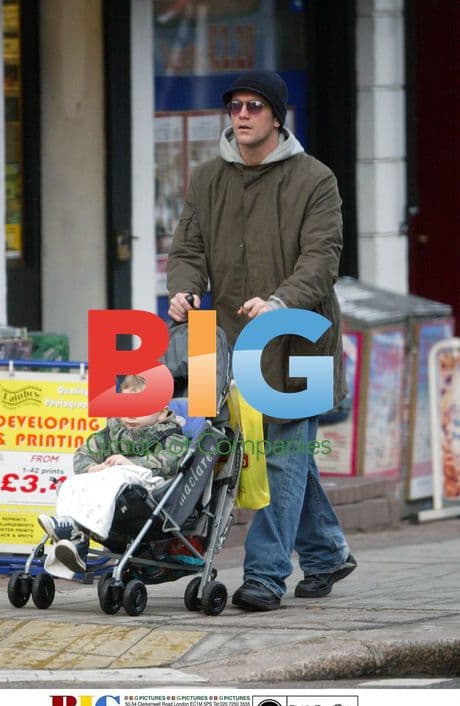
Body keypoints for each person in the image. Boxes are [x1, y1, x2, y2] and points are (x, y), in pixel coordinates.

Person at [167, 70, 356, 611]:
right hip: (222, 341)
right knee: (270, 455)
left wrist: (280, 301)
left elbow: (322, 259)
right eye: (235, 106)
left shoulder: (316, 179)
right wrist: (182, 292)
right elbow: (187, 250)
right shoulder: (206, 178)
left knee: (278, 456)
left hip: (298, 339)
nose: (242, 115)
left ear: (277, 116)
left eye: (254, 106)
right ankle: (325, 553)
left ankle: (266, 576)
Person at [38, 374, 187, 575]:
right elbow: (83, 453)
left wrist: (131, 463)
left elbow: (171, 460)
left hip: (150, 489)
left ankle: (76, 532)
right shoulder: (111, 433)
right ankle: (71, 532)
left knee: (117, 474)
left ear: (161, 413)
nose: (131, 415)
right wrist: (92, 468)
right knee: (75, 481)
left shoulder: (171, 435)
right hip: (114, 486)